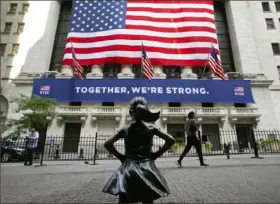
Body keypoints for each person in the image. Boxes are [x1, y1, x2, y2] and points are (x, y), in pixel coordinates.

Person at [102, 97, 175, 204]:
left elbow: (107, 143)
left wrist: (121, 157)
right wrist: (156, 154)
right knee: (148, 196)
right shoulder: (151, 127)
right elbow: (171, 140)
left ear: (131, 112)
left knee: (124, 196)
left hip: (128, 166)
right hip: (147, 167)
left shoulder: (125, 129)